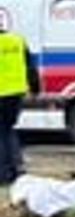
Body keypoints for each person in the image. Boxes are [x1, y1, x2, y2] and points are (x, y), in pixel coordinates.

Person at [0, 21, 40, 186]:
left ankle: (4, 173)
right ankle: (17, 168)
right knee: (8, 130)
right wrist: (35, 89)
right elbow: (31, 67)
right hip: (16, 93)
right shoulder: (17, 40)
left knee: (1, 132)